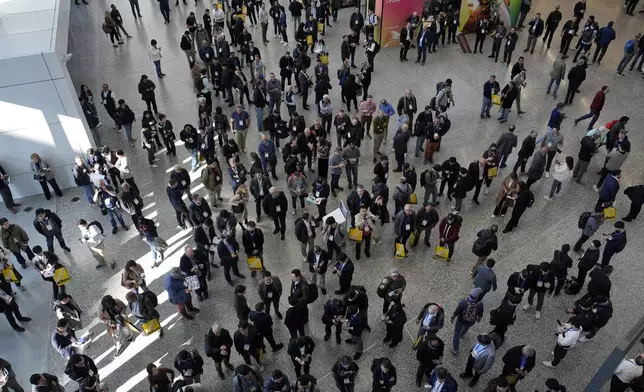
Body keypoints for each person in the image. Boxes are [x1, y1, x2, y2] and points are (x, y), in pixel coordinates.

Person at [450, 288, 484, 355]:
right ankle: (462, 335)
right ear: (477, 296)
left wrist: (452, 317)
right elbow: (480, 314)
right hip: (471, 321)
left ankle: (456, 349)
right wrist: (479, 319)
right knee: (467, 327)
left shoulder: (463, 302)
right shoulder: (480, 304)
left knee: (456, 333)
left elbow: (457, 311)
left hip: (461, 320)